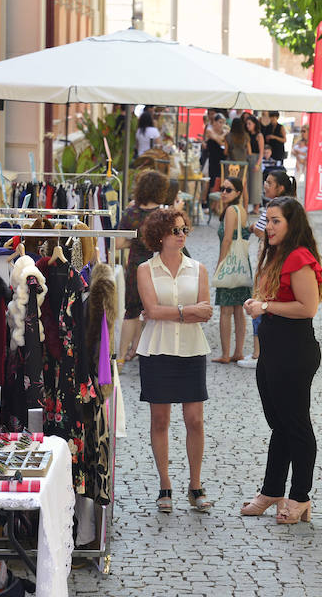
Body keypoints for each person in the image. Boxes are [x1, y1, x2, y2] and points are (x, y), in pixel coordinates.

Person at [240, 196, 322, 523]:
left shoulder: (299, 257)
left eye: (276, 221)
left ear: (292, 224)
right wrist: (258, 303)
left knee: (297, 426)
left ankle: (300, 496)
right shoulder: (275, 254)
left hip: (295, 350)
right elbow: (272, 299)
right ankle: (272, 490)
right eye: (268, 220)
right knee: (280, 424)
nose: (269, 227)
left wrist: (266, 307)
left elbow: (308, 307)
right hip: (274, 349)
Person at [135, 208, 213, 513]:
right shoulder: (146, 270)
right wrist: (185, 311)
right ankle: (164, 484)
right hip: (158, 349)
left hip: (192, 350)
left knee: (195, 420)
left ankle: (195, 485)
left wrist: (177, 312)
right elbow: (151, 311)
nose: (181, 235)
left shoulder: (198, 268)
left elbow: (206, 311)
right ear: (160, 236)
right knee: (160, 420)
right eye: (175, 231)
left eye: (184, 230)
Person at [237, 170, 297, 368]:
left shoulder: (276, 207)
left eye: (269, 182)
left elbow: (266, 234)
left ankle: (258, 353)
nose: (265, 185)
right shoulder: (289, 206)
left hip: (270, 262)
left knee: (261, 302)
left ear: (280, 187)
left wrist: (255, 228)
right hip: (272, 261)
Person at [115, 169, 167, 368]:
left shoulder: (131, 212)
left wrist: (136, 242)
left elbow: (118, 243)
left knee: (132, 311)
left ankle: (120, 357)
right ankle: (147, 352)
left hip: (136, 266)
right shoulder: (163, 215)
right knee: (154, 311)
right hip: (158, 266)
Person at [213, 177, 250, 364]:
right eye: (222, 188)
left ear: (237, 193)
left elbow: (227, 240)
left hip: (230, 264)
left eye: (228, 189)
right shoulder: (241, 210)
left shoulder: (229, 210)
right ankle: (238, 351)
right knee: (238, 310)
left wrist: (220, 265)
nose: (224, 192)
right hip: (242, 265)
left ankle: (226, 353)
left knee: (226, 310)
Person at [245, 116, 265, 211]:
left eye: (250, 123)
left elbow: (261, 152)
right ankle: (251, 206)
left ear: (254, 124)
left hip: (256, 158)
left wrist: (258, 164)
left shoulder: (259, 135)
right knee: (249, 182)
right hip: (248, 158)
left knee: (256, 183)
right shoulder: (247, 135)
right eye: (247, 124)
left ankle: (256, 207)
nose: (247, 126)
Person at [204, 114, 226, 196]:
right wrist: (224, 135)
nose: (221, 125)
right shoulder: (210, 130)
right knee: (212, 180)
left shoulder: (223, 132)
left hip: (221, 159)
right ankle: (208, 200)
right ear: (214, 122)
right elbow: (219, 141)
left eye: (223, 123)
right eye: (220, 122)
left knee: (220, 180)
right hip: (212, 159)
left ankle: (216, 204)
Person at [291, 125, 309, 204]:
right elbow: (293, 151)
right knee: (296, 181)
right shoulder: (299, 141)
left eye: (304, 131)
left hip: (307, 164)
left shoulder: (311, 141)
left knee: (307, 183)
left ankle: (307, 201)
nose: (302, 133)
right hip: (299, 163)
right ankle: (294, 198)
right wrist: (298, 155)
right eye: (301, 131)